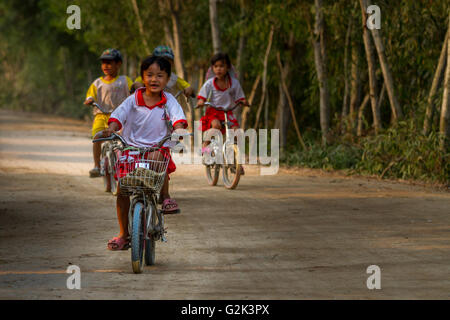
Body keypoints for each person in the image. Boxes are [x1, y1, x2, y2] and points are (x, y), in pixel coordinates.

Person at [95, 56, 187, 250]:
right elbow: (118, 115)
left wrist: (179, 128)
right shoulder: (133, 99)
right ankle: (123, 234)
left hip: (156, 148)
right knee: (122, 190)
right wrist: (111, 128)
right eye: (150, 75)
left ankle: (164, 197)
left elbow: (178, 117)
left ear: (167, 78)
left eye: (160, 75)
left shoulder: (168, 100)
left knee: (158, 160)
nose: (154, 80)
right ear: (143, 77)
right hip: (132, 149)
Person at [197, 52, 248, 174]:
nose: (218, 69)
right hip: (214, 112)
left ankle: (236, 161)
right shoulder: (210, 83)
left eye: (221, 66)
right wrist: (201, 101)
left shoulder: (234, 83)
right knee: (215, 126)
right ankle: (205, 148)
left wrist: (243, 101)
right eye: (216, 66)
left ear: (228, 68)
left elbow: (240, 96)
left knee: (237, 133)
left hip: (228, 112)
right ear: (212, 68)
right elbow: (202, 95)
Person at [84, 48, 133, 178]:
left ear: (118, 64)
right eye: (103, 62)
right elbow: (90, 95)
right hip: (101, 115)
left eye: (109, 62)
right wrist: (90, 100)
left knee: (126, 139)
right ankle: (96, 165)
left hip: (120, 117)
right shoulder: (98, 83)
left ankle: (128, 164)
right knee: (97, 137)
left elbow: (133, 89)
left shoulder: (124, 80)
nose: (106, 65)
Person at [133, 46, 194, 128]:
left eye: (167, 61)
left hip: (169, 108)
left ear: (172, 63)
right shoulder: (148, 75)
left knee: (178, 125)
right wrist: (138, 86)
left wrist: (188, 89)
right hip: (150, 106)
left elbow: (187, 86)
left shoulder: (174, 78)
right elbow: (137, 82)